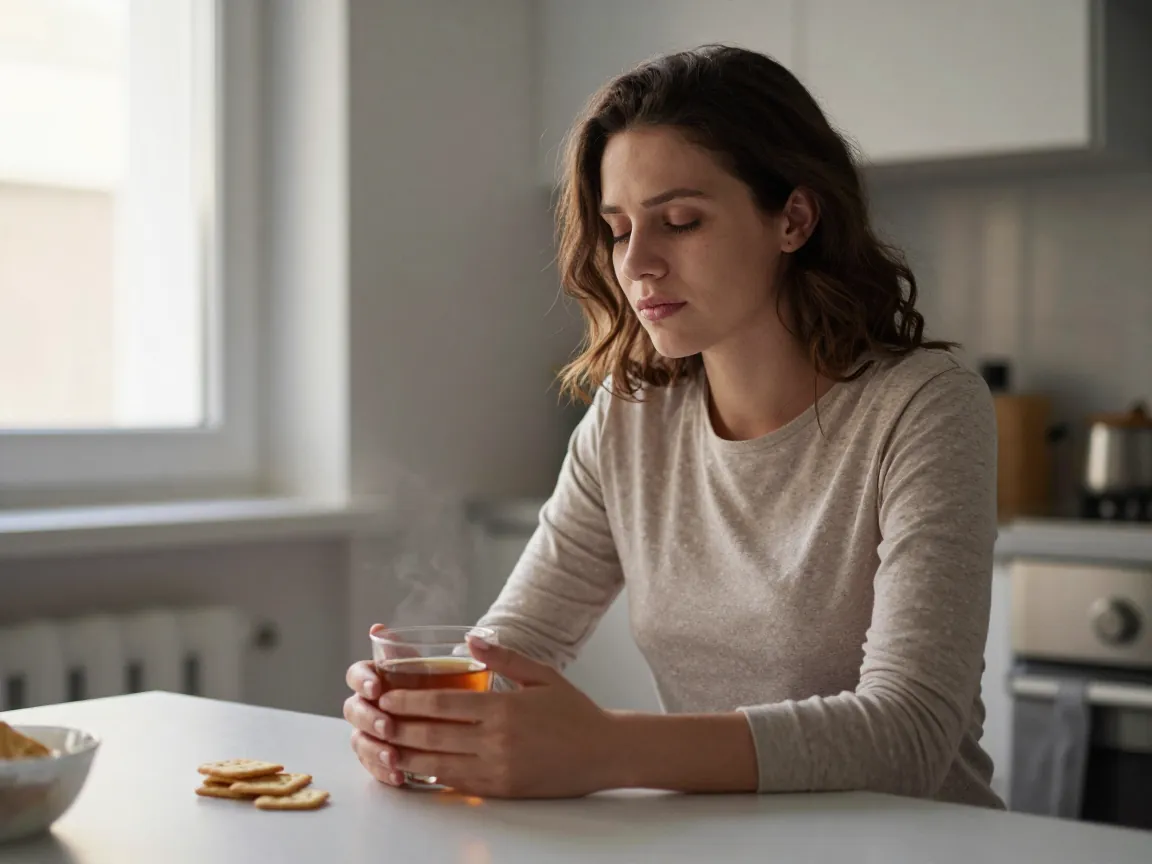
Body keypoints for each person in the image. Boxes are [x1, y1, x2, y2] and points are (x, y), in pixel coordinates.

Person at [344, 44, 1002, 808]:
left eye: (680, 221)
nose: (636, 264)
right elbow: (511, 653)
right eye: (619, 229)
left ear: (793, 219)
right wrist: (421, 721)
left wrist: (606, 750)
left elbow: (910, 734)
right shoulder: (630, 417)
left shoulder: (924, 405)